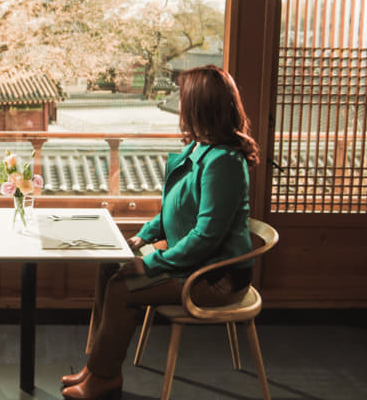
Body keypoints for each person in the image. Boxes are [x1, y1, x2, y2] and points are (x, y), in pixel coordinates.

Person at [60, 65, 260, 400]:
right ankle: (96, 366)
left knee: (124, 288)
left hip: (215, 277)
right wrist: (143, 237)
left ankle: (104, 378)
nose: (179, 105)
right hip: (193, 262)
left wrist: (154, 262)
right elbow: (173, 211)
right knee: (110, 265)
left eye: (184, 99)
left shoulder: (224, 161)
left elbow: (206, 237)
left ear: (199, 106)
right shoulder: (200, 147)